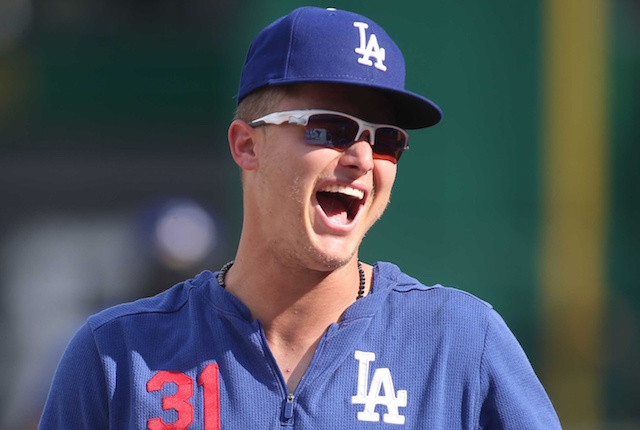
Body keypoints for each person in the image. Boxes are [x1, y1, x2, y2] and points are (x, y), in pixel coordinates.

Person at [38, 6, 561, 429]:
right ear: (247, 146)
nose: (361, 157)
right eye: (330, 128)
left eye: (386, 141)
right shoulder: (116, 357)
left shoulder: (462, 343)